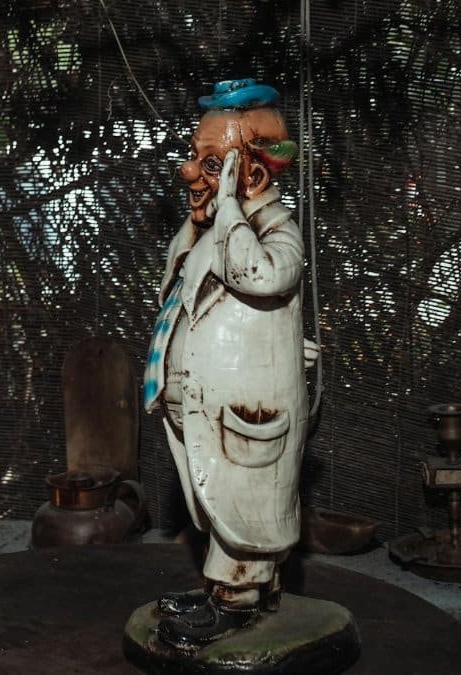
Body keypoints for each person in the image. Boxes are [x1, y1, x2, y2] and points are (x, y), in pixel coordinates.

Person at [141, 79, 311, 648]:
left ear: (253, 176)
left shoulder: (276, 233)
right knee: (214, 502)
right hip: (203, 409)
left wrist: (233, 207)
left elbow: (258, 276)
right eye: (193, 156)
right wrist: (208, 213)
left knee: (244, 509)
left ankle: (236, 600)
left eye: (210, 163)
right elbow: (180, 282)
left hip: (245, 415)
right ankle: (228, 590)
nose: (189, 172)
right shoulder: (211, 226)